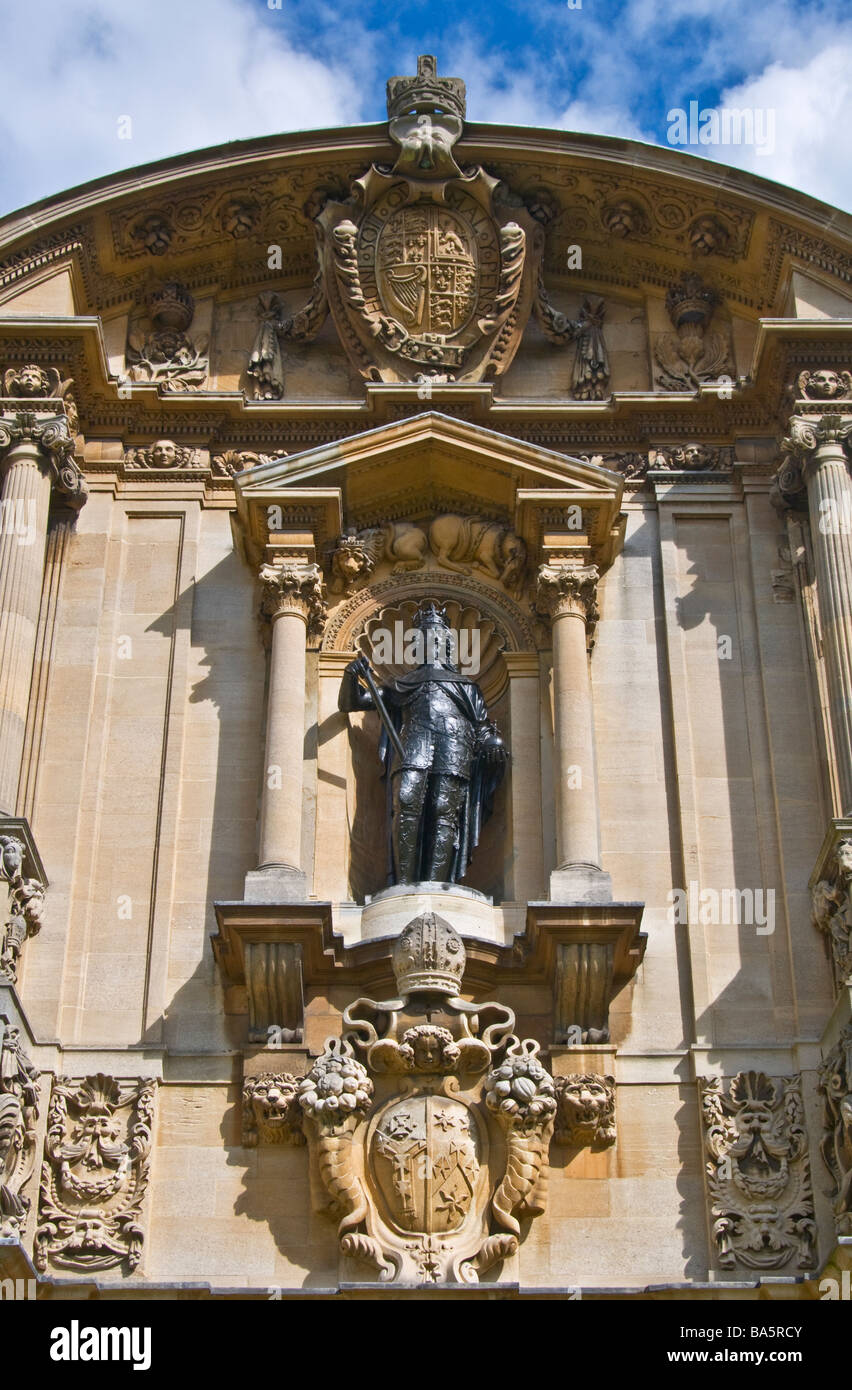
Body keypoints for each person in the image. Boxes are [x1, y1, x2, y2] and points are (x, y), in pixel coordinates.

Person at [339, 601, 506, 885]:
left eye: (437, 639)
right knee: (407, 801)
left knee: (444, 809)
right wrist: (350, 675)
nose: (432, 644)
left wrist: (493, 741)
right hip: (413, 743)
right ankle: (405, 883)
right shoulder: (401, 684)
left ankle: (436, 883)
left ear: (447, 645)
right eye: (425, 638)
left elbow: (482, 727)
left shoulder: (466, 686)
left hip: (455, 746)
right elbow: (351, 702)